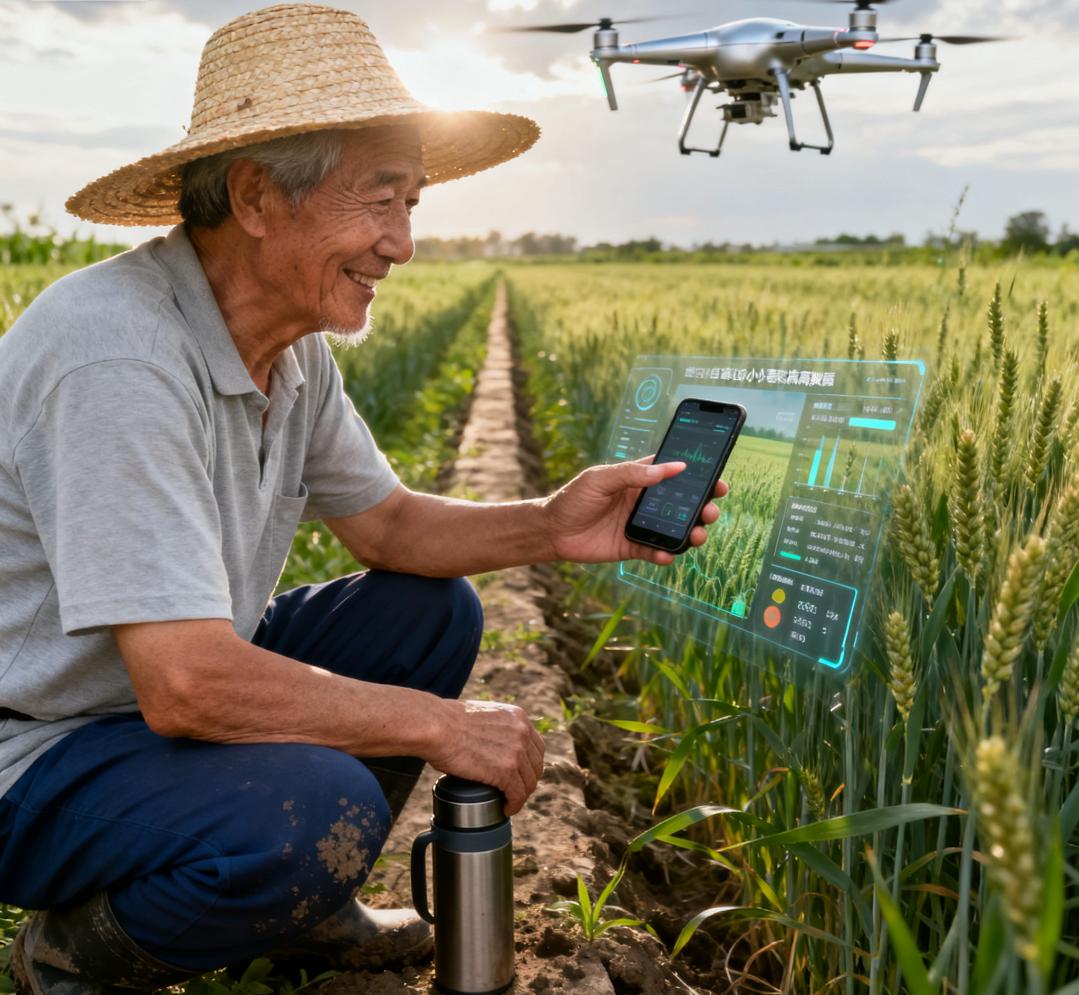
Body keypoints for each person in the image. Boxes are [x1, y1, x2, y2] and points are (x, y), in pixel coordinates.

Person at [0, 5, 728, 992]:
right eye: (380, 200)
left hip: (143, 707)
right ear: (257, 195)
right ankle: (78, 952)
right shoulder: (116, 355)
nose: (403, 242)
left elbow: (387, 525)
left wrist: (554, 522)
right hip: (38, 749)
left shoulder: (289, 347)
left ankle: (305, 911)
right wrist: (439, 725)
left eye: (412, 203)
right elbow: (184, 682)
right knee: (309, 803)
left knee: (425, 610)